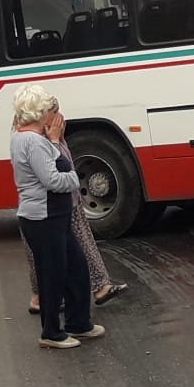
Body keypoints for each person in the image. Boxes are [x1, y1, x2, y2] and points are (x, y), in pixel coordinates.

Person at [10, 84, 104, 351]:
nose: (57, 116)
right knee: (52, 274)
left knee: (75, 268)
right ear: (41, 113)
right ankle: (51, 332)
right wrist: (73, 176)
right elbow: (54, 178)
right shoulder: (34, 141)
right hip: (43, 217)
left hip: (51, 216)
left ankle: (78, 322)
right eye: (52, 111)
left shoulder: (29, 139)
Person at [24, 119, 128, 315]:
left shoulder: (41, 139)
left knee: (77, 246)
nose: (59, 120)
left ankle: (97, 288)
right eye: (54, 115)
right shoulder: (36, 142)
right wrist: (55, 141)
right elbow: (56, 170)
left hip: (62, 204)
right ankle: (52, 304)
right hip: (53, 207)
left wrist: (59, 139)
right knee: (62, 254)